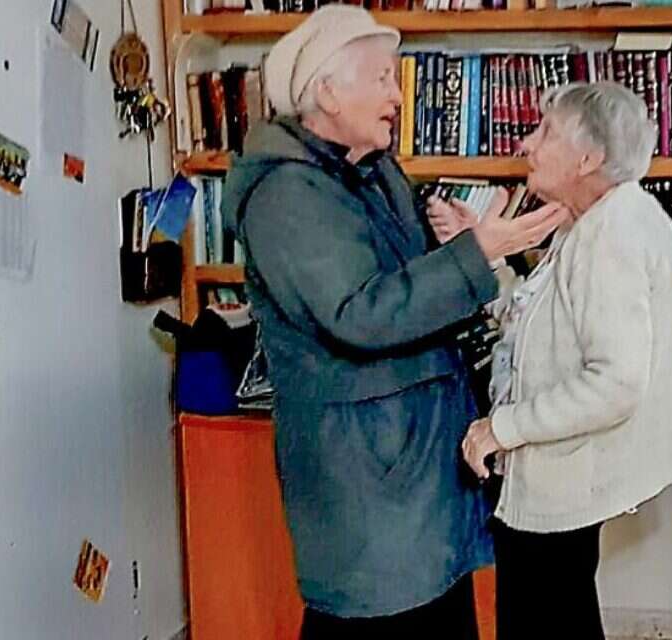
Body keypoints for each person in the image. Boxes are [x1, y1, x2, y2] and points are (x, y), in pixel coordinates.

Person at [219, 6, 568, 638]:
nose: (398, 96)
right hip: (368, 477)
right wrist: (475, 254)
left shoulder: (374, 171)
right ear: (328, 91)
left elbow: (409, 283)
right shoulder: (286, 195)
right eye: (382, 78)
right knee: (375, 620)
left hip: (415, 468)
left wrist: (460, 243)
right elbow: (360, 314)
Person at [429, 82, 672, 640]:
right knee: (560, 614)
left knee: (546, 619)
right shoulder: (590, 222)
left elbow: (616, 383)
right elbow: (533, 321)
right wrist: (481, 256)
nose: (527, 144)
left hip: (564, 475)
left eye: (547, 133)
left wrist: (501, 428)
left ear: (589, 158)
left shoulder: (613, 234)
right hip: (561, 474)